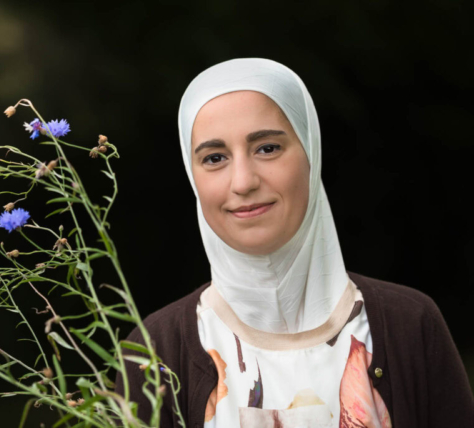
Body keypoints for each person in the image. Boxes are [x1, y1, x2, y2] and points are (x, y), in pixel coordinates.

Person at [114, 58, 474, 428]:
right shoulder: (155, 352)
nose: (243, 181)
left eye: (267, 148)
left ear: (311, 153)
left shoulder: (410, 325)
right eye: (215, 158)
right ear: (193, 177)